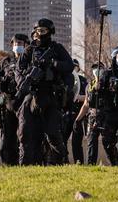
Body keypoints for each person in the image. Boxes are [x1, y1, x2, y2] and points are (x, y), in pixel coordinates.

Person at [16, 18, 75, 165]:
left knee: (53, 133)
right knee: (25, 132)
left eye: (43, 31)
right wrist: (26, 79)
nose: (40, 34)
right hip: (31, 95)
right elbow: (19, 69)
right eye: (38, 31)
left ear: (50, 32)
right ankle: (25, 165)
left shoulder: (57, 49)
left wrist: (53, 63)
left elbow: (69, 66)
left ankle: (62, 162)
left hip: (50, 95)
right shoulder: (30, 49)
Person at [0, 33, 29, 165]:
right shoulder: (6, 62)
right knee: (7, 137)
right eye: (15, 44)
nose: (17, 46)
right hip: (8, 103)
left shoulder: (30, 61)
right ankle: (8, 164)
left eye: (20, 44)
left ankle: (24, 163)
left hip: (26, 103)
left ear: (26, 45)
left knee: (24, 135)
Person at [62, 59, 88, 164]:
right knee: (62, 139)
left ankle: (79, 162)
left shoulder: (83, 80)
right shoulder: (63, 79)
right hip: (66, 114)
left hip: (78, 115)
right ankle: (64, 161)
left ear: (78, 68)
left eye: (75, 66)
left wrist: (81, 97)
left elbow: (89, 96)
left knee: (76, 142)